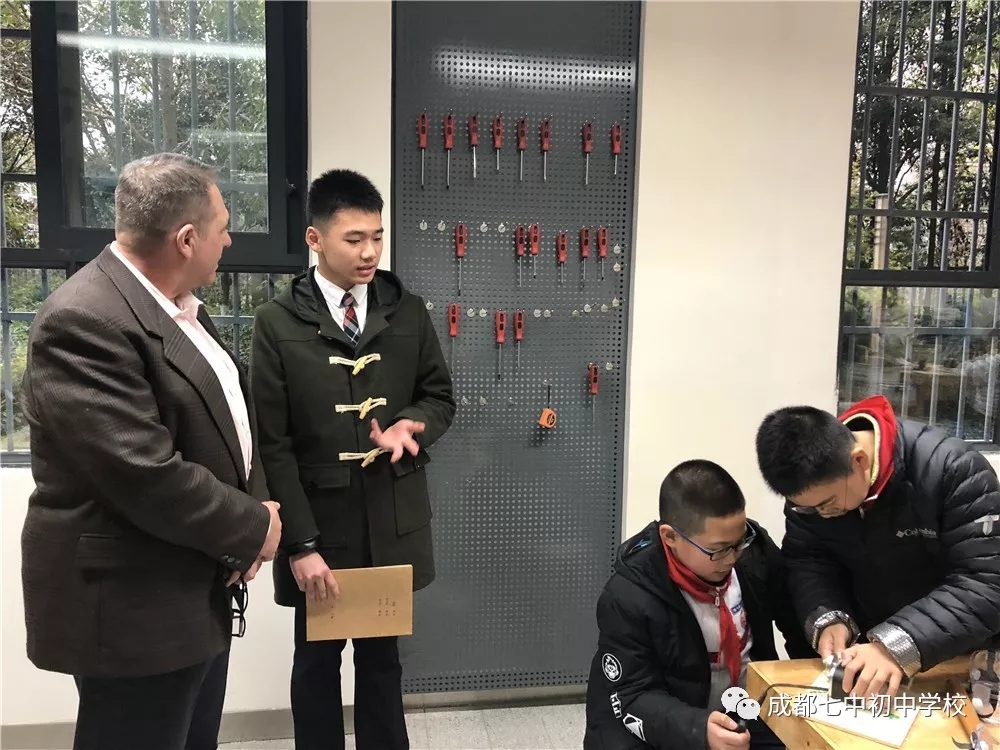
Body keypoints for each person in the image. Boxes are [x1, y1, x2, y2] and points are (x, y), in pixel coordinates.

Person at [20, 152, 282, 750]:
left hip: (192, 583)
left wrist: (253, 516)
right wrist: (252, 527)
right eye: (223, 228)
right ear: (186, 239)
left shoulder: (179, 307)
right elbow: (144, 472)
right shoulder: (83, 319)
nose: (229, 241)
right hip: (133, 605)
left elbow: (231, 421)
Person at [250, 168, 456, 750]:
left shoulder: (407, 310)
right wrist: (300, 545)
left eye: (377, 237)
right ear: (315, 239)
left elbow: (439, 397)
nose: (370, 252)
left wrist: (413, 424)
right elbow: (273, 443)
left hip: (391, 517)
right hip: (319, 526)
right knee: (315, 665)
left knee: (383, 664)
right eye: (354, 239)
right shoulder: (276, 322)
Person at [755, 394, 1000, 702]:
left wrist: (894, 645)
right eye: (807, 508)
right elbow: (809, 560)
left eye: (828, 503)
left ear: (858, 460)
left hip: (961, 660)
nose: (821, 514)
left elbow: (985, 585)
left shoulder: (952, 469)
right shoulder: (813, 491)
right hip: (875, 659)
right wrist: (828, 615)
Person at [583, 459, 812, 750]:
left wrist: (825, 640)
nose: (733, 557)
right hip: (664, 722)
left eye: (739, 541)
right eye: (719, 550)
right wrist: (698, 729)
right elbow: (633, 695)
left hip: (743, 708)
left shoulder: (754, 551)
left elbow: (795, 616)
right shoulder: (629, 596)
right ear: (670, 537)